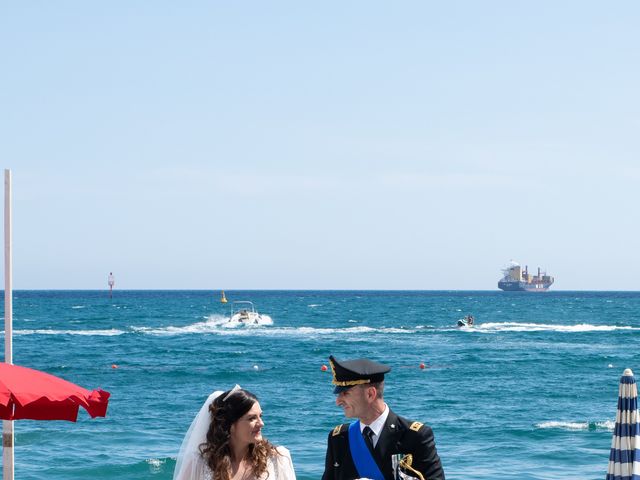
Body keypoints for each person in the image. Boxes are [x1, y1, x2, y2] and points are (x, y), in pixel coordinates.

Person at [322, 356, 445, 480]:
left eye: (345, 393)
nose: (338, 402)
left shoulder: (415, 437)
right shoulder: (339, 438)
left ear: (370, 394)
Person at [174, 385, 296, 480]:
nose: (261, 423)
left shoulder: (277, 459)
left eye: (260, 416)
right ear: (230, 424)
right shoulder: (200, 463)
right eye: (252, 418)